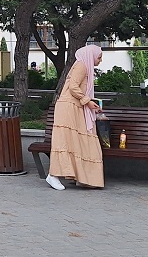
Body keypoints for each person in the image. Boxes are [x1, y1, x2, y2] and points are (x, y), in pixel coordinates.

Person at [45, 43, 105, 190]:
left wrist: (89, 104)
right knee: (65, 141)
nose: (100, 60)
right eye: (99, 57)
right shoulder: (82, 66)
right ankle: (53, 175)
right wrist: (87, 102)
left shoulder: (84, 66)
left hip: (76, 107)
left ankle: (81, 176)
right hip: (68, 108)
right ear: (91, 56)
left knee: (79, 141)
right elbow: (73, 87)